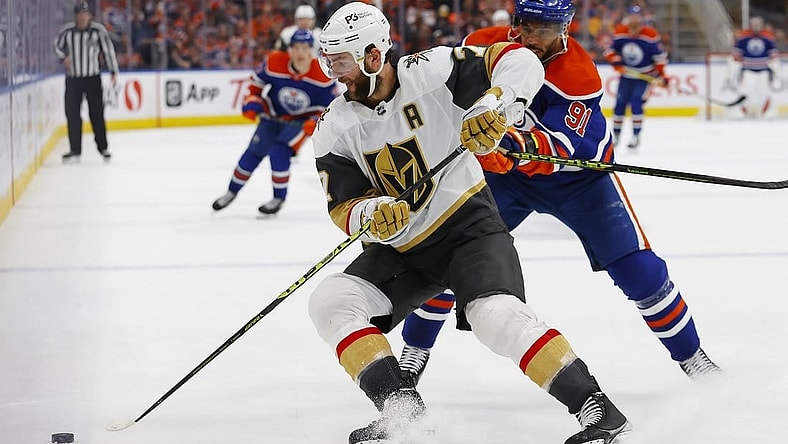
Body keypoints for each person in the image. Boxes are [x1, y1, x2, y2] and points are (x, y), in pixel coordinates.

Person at [308, 3, 631, 444]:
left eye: (340, 61)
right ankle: (404, 411)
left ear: (371, 55)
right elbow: (343, 206)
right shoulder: (333, 127)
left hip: (468, 230)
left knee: (494, 316)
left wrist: (497, 105)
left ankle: (598, 410)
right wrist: (369, 213)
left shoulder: (432, 70)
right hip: (402, 249)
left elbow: (517, 60)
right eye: (328, 61)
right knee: (331, 301)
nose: (332, 72)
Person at [400, 0, 721, 391]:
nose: (532, 38)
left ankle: (693, 358)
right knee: (450, 260)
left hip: (579, 179)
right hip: (507, 179)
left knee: (641, 272)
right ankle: (412, 355)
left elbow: (556, 149)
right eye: (526, 26)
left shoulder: (578, 74)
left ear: (564, 28)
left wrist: (506, 145)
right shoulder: (483, 45)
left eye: (545, 29)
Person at [211, 29, 337, 215]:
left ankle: (278, 198)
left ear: (311, 51)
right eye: (296, 47)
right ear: (290, 50)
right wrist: (253, 101)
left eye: (305, 48)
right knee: (252, 154)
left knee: (280, 152)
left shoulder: (323, 75)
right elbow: (255, 85)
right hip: (272, 117)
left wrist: (315, 122)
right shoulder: (274, 62)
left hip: (299, 123)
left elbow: (331, 107)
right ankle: (231, 192)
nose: (300, 52)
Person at [54, 1, 119, 163]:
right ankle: (75, 149)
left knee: (96, 113)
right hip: (73, 79)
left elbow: (108, 50)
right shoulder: (67, 31)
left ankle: (103, 147)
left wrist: (113, 71)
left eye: (85, 14)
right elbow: (56, 47)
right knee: (72, 114)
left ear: (89, 15)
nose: (82, 17)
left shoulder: (98, 31)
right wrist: (63, 58)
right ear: (76, 16)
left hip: (92, 78)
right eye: (79, 14)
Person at [603, 5, 667, 149]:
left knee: (636, 103)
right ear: (628, 18)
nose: (634, 19)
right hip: (626, 75)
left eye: (637, 16)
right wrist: (616, 62)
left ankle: (636, 136)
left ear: (641, 18)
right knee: (620, 104)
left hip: (644, 76)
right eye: (632, 16)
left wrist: (662, 75)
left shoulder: (650, 34)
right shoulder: (620, 32)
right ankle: (617, 136)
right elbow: (609, 51)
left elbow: (660, 58)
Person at [726, 16, 781, 118]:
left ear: (761, 25)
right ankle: (742, 112)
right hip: (748, 71)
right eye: (754, 24)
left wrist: (777, 72)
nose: (756, 26)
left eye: (758, 24)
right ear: (751, 25)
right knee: (745, 91)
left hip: (764, 71)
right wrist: (731, 73)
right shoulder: (743, 39)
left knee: (764, 92)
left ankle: (766, 112)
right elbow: (735, 56)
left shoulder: (768, 39)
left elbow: (774, 57)